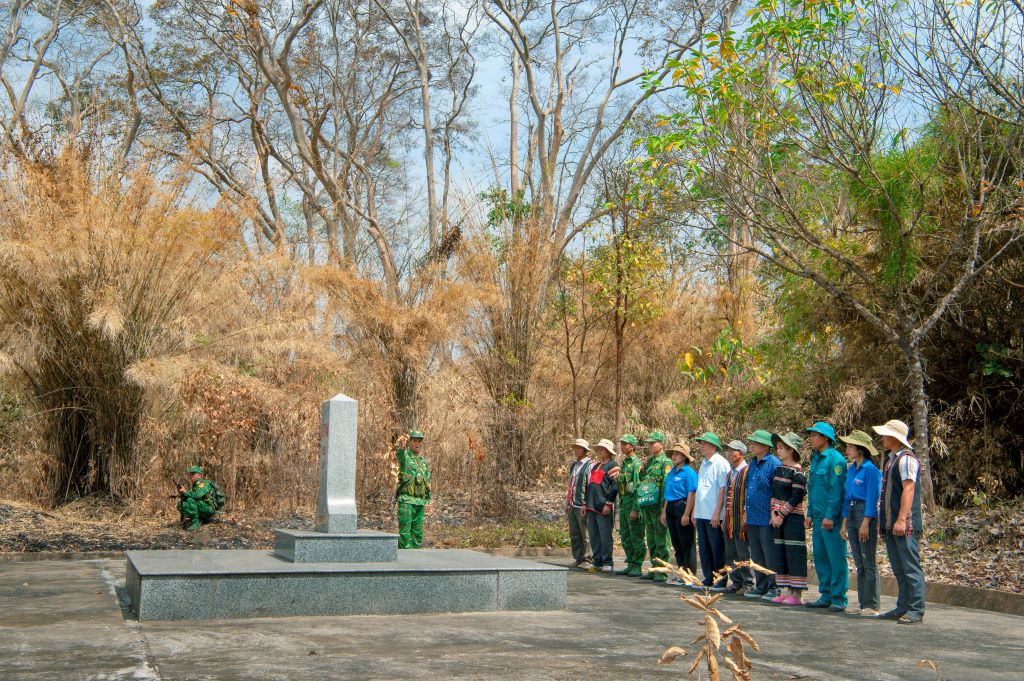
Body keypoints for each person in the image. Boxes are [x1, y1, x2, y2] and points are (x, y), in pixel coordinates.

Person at [873, 419, 926, 624]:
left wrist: (902, 519)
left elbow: (909, 489)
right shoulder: (892, 459)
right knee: (899, 568)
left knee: (910, 567)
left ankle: (915, 609)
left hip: (904, 525)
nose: (882, 438)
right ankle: (903, 606)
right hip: (891, 523)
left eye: (886, 434)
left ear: (895, 437)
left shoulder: (906, 459)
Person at [804, 421, 849, 612]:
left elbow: (836, 491)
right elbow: (813, 488)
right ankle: (826, 594)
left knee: (836, 557)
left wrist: (830, 516)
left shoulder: (836, 460)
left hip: (832, 518)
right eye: (811, 435)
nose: (812, 439)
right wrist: (809, 513)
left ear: (825, 438)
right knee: (820, 557)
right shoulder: (816, 459)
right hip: (818, 515)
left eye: (815, 435)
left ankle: (839, 597)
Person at [839, 429, 883, 617]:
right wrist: (844, 523)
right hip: (851, 512)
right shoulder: (852, 469)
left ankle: (872, 604)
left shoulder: (871, 470)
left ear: (861, 449)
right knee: (858, 561)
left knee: (868, 560)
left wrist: (866, 522)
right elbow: (847, 497)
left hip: (865, 513)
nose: (847, 449)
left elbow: (872, 498)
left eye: (850, 446)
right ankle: (864, 603)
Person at [769, 431, 808, 605]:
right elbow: (774, 493)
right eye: (777, 447)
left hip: (792, 518)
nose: (778, 450)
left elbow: (796, 496)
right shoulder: (779, 469)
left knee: (794, 553)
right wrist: (773, 513)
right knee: (781, 552)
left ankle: (798, 594)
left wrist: (782, 514)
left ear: (791, 450)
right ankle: (786, 589)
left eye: (782, 447)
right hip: (778, 517)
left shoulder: (798, 472)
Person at [743, 430, 781, 600]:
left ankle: (774, 586)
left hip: (766, 516)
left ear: (766, 446)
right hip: (752, 515)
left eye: (755, 442)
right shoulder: (752, 463)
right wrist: (745, 510)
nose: (751, 445)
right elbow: (748, 487)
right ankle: (761, 585)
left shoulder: (773, 463)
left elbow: (777, 489)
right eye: (751, 442)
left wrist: (775, 512)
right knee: (756, 553)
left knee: (769, 552)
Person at [693, 432, 731, 588]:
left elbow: (723, 489)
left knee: (717, 548)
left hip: (714, 514)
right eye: (701, 443)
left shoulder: (721, 463)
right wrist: (695, 512)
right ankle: (708, 577)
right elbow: (700, 488)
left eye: (705, 443)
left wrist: (717, 513)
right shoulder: (703, 462)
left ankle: (720, 579)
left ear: (714, 446)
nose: (702, 446)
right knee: (704, 548)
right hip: (702, 512)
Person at [638, 431, 673, 582]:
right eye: (649, 443)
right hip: (648, 506)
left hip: (659, 506)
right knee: (651, 539)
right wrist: (641, 468)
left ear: (661, 444)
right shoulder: (649, 461)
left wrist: (664, 508)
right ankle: (653, 567)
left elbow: (666, 485)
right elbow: (642, 482)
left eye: (653, 443)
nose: (650, 446)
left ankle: (662, 571)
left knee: (662, 540)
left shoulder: (666, 462)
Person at [719, 438, 753, 594]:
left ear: (740, 453)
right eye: (728, 450)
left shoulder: (747, 471)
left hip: (740, 518)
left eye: (733, 450)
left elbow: (749, 495)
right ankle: (736, 581)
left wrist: (746, 513)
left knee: (743, 551)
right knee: (730, 551)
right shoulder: (730, 473)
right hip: (729, 518)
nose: (729, 453)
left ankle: (748, 582)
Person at [662, 441, 698, 583]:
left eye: (677, 454)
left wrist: (686, 514)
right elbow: (667, 494)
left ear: (684, 457)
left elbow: (692, 494)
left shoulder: (689, 473)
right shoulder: (671, 472)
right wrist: (664, 512)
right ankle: (682, 573)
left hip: (682, 506)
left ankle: (690, 575)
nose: (674, 456)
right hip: (671, 507)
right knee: (677, 544)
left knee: (686, 543)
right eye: (673, 454)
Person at [585, 439, 620, 573]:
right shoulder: (595, 466)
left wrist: (608, 503)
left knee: (605, 535)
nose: (600, 451)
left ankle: (607, 562)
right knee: (594, 535)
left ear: (609, 451)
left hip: (603, 506)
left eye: (603, 449)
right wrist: (585, 504)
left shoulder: (613, 465)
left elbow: (615, 487)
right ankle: (597, 561)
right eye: (599, 448)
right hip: (591, 506)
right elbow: (589, 486)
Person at [615, 434, 646, 576]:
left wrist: (636, 508)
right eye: (622, 443)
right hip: (624, 503)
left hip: (632, 503)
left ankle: (638, 565)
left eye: (625, 444)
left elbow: (638, 487)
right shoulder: (625, 462)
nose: (622, 446)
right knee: (625, 535)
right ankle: (631, 562)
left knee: (636, 535)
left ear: (632, 446)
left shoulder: (635, 463)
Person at [394, 430, 431, 549]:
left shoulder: (424, 462)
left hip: (420, 502)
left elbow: (427, 482)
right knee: (405, 534)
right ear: (410, 442)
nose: (417, 444)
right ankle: (405, 563)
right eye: (415, 440)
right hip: (406, 501)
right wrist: (401, 447)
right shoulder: (405, 457)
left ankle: (416, 562)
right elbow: (399, 455)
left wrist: (428, 501)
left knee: (418, 534)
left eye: (420, 441)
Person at [566, 438, 595, 570]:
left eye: (579, 448)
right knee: (575, 532)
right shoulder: (574, 465)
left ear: (585, 450)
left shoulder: (590, 465)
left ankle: (588, 559)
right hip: (572, 503)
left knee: (586, 534)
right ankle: (578, 558)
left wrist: (586, 503)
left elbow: (589, 486)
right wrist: (568, 502)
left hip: (582, 504)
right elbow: (571, 484)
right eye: (575, 448)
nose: (576, 450)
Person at [177, 465, 219, 531]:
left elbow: (197, 495)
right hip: (202, 507)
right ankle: (200, 519)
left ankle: (196, 523)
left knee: (190, 500)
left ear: (199, 475)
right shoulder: (195, 485)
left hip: (209, 509)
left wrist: (185, 492)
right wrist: (182, 494)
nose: (191, 476)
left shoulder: (204, 483)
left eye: (193, 474)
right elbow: (191, 495)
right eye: (190, 474)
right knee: (181, 502)